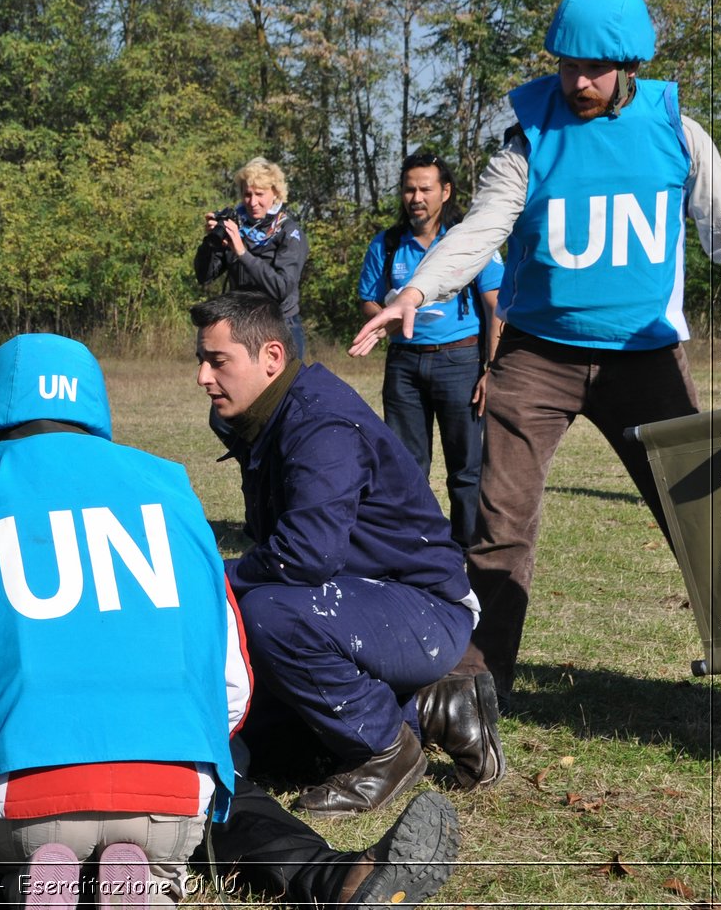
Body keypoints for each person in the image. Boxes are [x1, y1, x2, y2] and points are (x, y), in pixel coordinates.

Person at [0, 334, 460, 909]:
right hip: (173, 795)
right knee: (223, 793)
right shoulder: (171, 492)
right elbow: (232, 680)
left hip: (20, 793)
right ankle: (322, 876)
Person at [351, 0, 721, 709]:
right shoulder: (527, 139)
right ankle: (471, 693)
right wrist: (416, 290)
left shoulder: (677, 129)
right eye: (567, 66)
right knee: (499, 524)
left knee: (708, 521)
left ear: (629, 63)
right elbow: (479, 230)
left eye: (595, 69)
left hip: (646, 356)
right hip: (537, 358)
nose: (579, 82)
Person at [194, 293, 497, 813]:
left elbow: (305, 556)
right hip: (360, 603)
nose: (203, 376)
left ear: (270, 357)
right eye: (201, 360)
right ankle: (435, 708)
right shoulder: (265, 414)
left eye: (218, 361)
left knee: (264, 613)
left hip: (425, 607)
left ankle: (386, 747)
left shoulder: (319, 422)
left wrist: (213, 577)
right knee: (263, 744)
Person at [358, 152, 502, 547]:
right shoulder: (386, 244)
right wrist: (386, 313)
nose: (416, 197)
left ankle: (470, 550)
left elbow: (496, 305)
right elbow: (368, 300)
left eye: (425, 188)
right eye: (409, 189)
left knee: (467, 469)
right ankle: (413, 547)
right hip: (404, 365)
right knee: (405, 466)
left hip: (461, 362)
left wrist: (493, 369)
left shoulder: (470, 242)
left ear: (445, 191)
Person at [194, 158, 309, 360]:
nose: (252, 202)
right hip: (242, 323)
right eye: (247, 194)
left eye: (260, 194)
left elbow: (281, 288)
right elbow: (204, 275)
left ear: (275, 193)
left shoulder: (289, 232)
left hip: (281, 324)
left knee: (285, 390)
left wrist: (242, 253)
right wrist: (210, 243)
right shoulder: (236, 226)